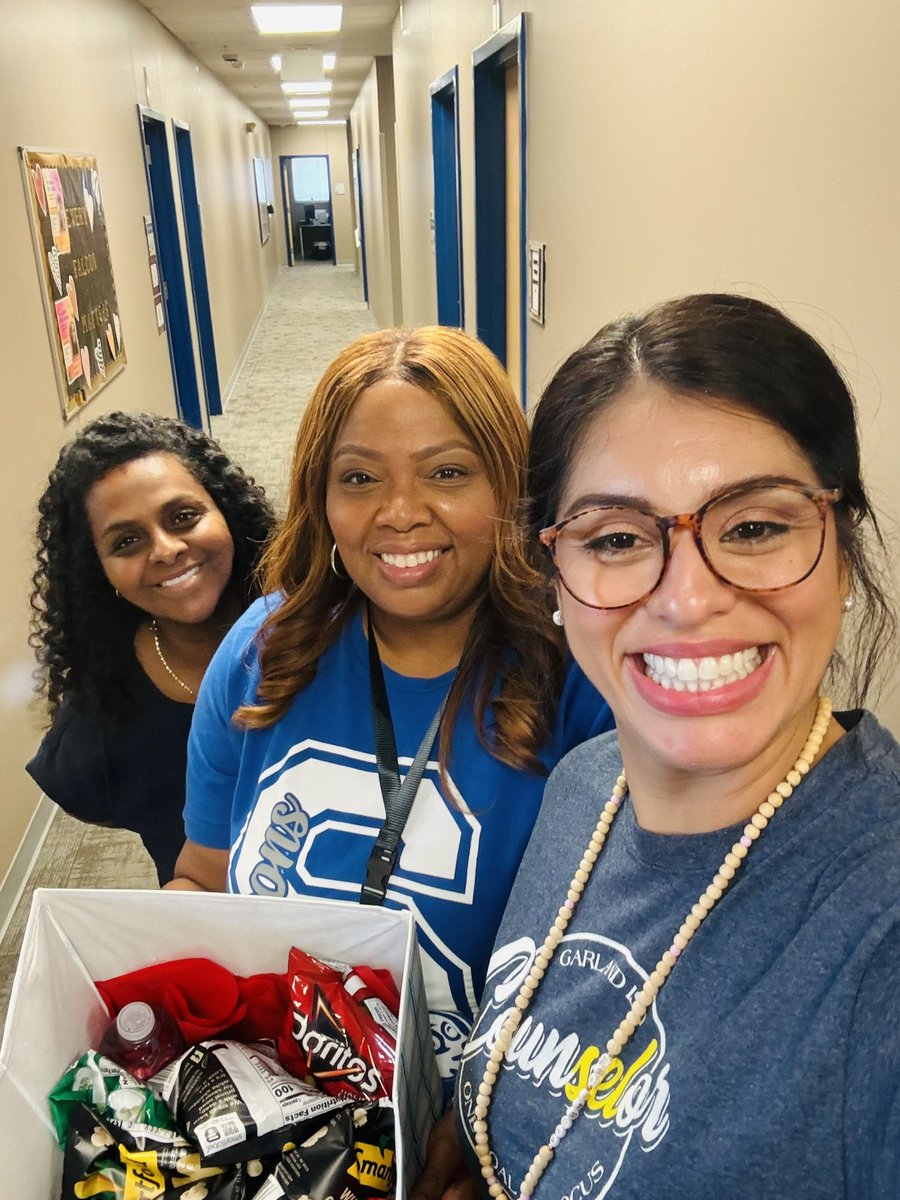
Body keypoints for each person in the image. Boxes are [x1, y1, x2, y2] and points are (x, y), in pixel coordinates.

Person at [453, 294, 900, 1198]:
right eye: (617, 539)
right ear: (555, 580)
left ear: (844, 551)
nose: (689, 600)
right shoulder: (586, 783)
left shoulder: (878, 927)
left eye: (756, 527)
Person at [169, 325, 614, 1092]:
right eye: (360, 479)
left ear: (510, 486)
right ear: (322, 497)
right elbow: (203, 879)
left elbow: (608, 986)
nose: (400, 513)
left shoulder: (581, 682)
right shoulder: (262, 651)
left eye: (447, 472)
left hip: (475, 1120)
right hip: (273, 1099)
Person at [27, 411, 275, 886]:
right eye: (127, 542)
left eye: (183, 517)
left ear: (226, 510)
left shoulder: (322, 623)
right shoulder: (105, 718)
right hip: (219, 930)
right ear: (98, 571)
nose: (165, 550)